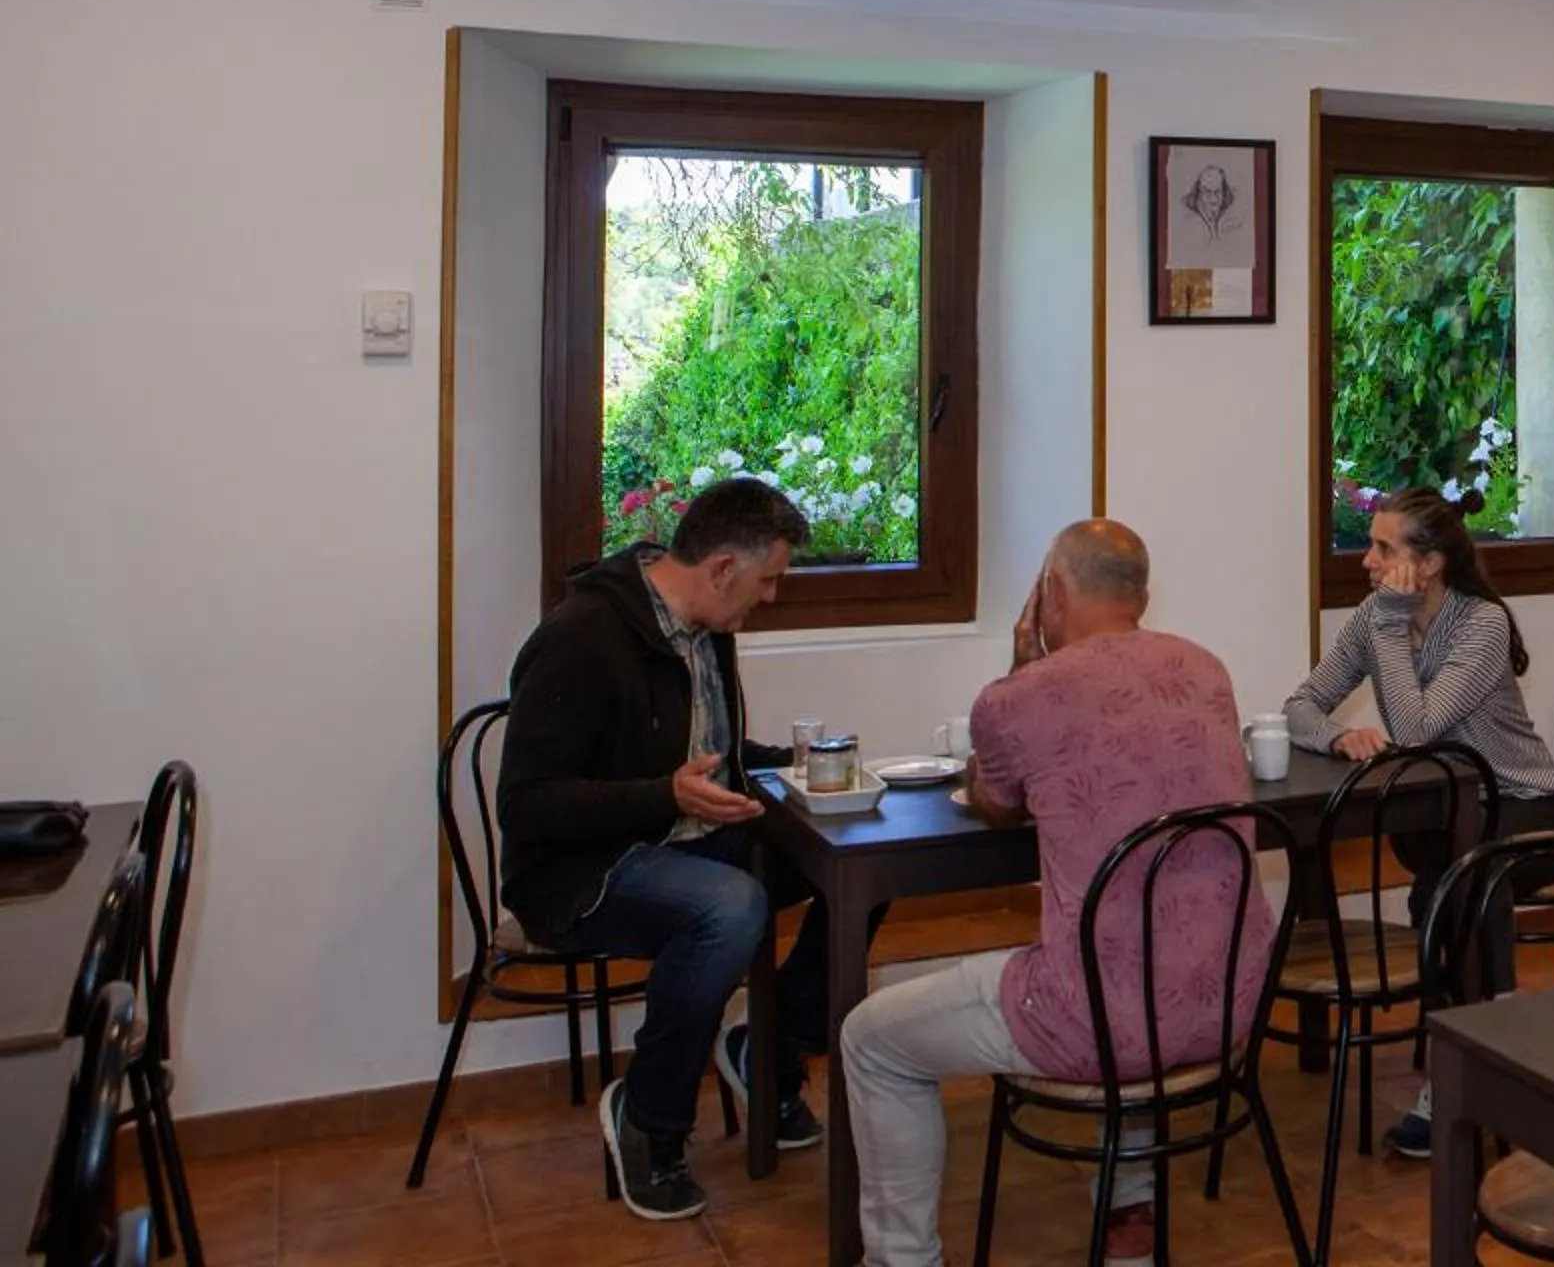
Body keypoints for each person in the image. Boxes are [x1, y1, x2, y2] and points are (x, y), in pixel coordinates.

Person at [841, 520, 1269, 1267]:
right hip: (1230, 999)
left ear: (1053, 592)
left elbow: (995, 799)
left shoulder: (1019, 697)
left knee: (871, 1040)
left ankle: (902, 1260)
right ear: (1141, 593)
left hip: (1100, 1019)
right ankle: (1130, 1218)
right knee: (1129, 953)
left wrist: (1015, 670)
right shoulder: (1206, 669)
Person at [496, 477, 850, 1222]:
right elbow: (526, 804)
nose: (772, 597)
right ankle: (650, 1117)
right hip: (578, 874)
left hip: (685, 840)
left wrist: (804, 767)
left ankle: (769, 1054)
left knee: (852, 866)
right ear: (722, 568)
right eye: (768, 580)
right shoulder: (581, 638)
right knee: (729, 907)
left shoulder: (708, 630)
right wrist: (665, 796)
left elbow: (706, 757)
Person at [1282, 485, 1554, 1158]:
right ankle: (1485, 1053)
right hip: (1441, 815)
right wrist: (1333, 737)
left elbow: (1415, 730)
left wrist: (1389, 623)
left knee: (1463, 884)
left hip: (1524, 808)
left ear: (1431, 563)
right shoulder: (1373, 616)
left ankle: (1470, 1064)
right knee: (1450, 880)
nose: (1368, 562)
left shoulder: (1480, 625)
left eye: (1384, 548)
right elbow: (1301, 703)